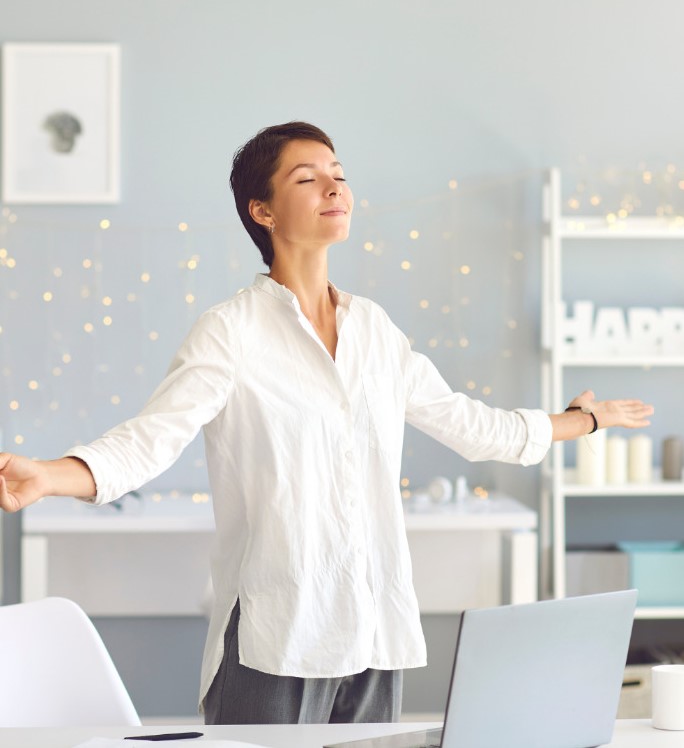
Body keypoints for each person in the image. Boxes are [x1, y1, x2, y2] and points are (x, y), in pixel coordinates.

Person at [0, 121, 654, 725]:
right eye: (307, 178)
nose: (334, 185)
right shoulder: (232, 332)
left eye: (338, 172)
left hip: (374, 633)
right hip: (275, 635)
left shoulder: (375, 330)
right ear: (262, 211)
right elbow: (152, 440)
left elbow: (474, 426)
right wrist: (51, 476)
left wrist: (584, 420)